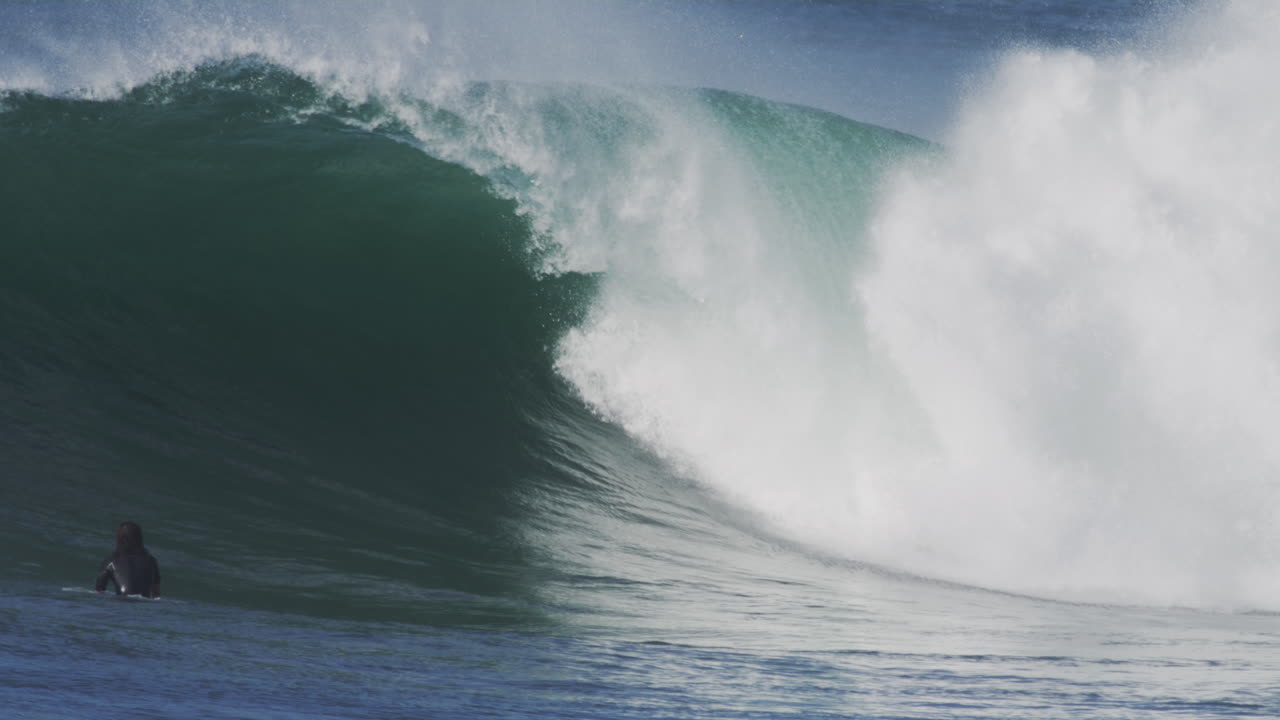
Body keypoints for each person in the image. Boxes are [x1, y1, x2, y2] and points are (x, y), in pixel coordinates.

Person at [94, 521, 161, 598]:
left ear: (119, 538)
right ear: (140, 539)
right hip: (143, 606)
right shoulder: (151, 561)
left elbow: (98, 591)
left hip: (121, 604)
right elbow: (156, 596)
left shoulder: (111, 560)